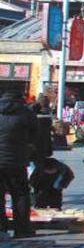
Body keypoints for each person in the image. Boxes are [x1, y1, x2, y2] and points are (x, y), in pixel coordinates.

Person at [0, 86, 38, 238]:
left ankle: (1, 229)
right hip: (16, 160)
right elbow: (35, 135)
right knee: (20, 194)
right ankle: (22, 230)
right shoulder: (26, 113)